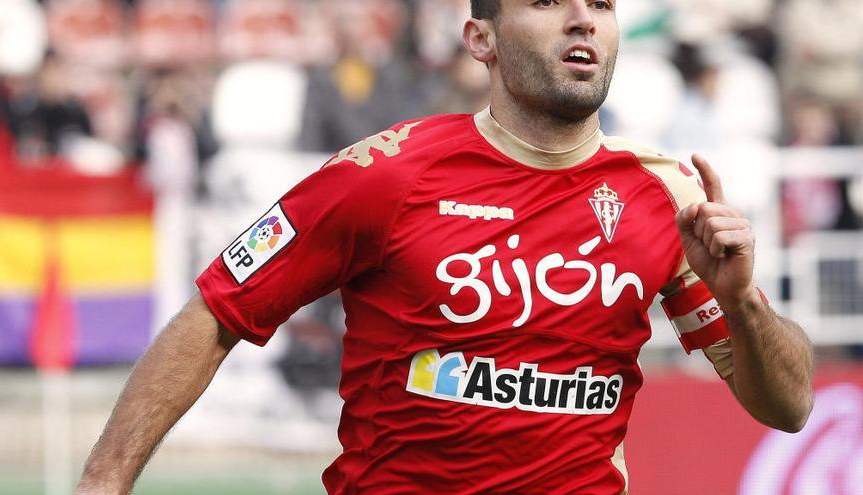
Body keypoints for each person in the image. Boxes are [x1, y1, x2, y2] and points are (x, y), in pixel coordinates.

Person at [77, 1, 814, 493]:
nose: (582, 20)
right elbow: (217, 309)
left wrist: (741, 298)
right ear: (481, 40)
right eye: (548, 0)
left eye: (601, 3)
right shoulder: (385, 173)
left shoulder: (668, 194)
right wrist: (103, 483)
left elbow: (788, 407)